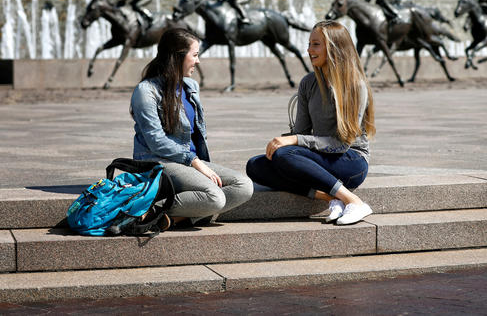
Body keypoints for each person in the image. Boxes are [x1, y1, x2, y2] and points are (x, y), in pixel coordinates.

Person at [246, 20, 375, 225]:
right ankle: (332, 197)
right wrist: (284, 140)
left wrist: (294, 141)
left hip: (351, 161)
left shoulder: (354, 84)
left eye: (316, 44)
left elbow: (341, 144)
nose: (309, 50)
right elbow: (302, 132)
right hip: (322, 158)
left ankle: (353, 201)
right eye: (309, 44)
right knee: (255, 165)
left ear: (334, 48)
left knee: (285, 153)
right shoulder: (308, 83)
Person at [130, 28, 253, 229]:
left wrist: (197, 162)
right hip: (157, 162)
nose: (198, 61)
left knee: (244, 186)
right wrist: (194, 161)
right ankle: (150, 211)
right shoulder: (146, 91)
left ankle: (177, 218)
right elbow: (155, 140)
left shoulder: (190, 86)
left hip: (190, 162)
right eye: (194, 55)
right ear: (177, 57)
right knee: (215, 198)